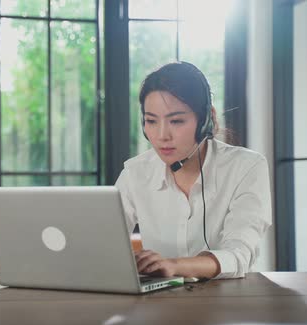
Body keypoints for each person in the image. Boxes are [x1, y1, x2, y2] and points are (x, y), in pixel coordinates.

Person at [115, 62, 272, 280]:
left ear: (207, 120)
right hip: (159, 303)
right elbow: (102, 242)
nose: (162, 135)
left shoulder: (246, 167)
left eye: (176, 121)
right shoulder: (135, 173)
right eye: (151, 121)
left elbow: (239, 254)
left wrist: (175, 265)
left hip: (232, 300)